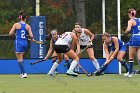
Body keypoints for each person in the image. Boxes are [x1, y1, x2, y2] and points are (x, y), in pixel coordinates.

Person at [9, 10, 34, 78]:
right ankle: (22, 73)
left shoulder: (16, 24)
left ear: (20, 18)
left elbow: (10, 33)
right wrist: (32, 40)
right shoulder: (28, 26)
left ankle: (24, 73)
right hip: (25, 43)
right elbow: (31, 36)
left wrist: (16, 34)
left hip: (18, 42)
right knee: (21, 57)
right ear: (25, 18)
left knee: (19, 59)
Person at [124, 8, 140, 77]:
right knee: (139, 57)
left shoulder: (131, 21)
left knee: (131, 57)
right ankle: (129, 73)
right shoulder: (139, 19)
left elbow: (128, 29)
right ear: (135, 13)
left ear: (129, 14)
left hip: (135, 38)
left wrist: (125, 32)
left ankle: (130, 73)